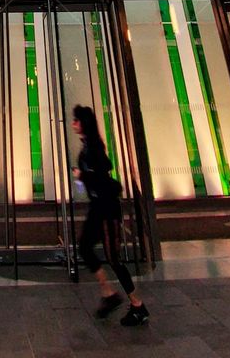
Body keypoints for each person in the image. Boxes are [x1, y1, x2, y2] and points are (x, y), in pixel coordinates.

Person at [71, 104, 149, 327]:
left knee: (113, 257)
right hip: (98, 206)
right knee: (85, 246)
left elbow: (104, 170)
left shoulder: (93, 146)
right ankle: (108, 292)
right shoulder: (87, 147)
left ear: (84, 122)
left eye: (77, 120)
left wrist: (83, 175)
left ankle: (137, 305)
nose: (73, 124)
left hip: (106, 207)